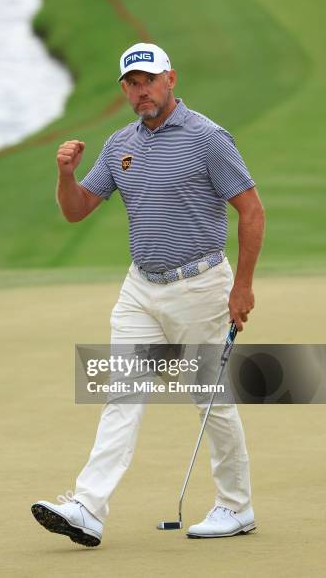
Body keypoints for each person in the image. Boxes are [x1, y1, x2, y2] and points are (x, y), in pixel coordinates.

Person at [31, 42, 265, 547]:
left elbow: (251, 210)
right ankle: (87, 509)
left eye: (149, 81)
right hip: (141, 289)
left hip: (201, 286)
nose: (141, 92)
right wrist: (65, 174)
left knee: (210, 401)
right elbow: (77, 210)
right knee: (121, 394)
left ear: (170, 80)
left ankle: (236, 507)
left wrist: (242, 286)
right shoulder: (119, 146)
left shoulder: (208, 138)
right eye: (131, 85)